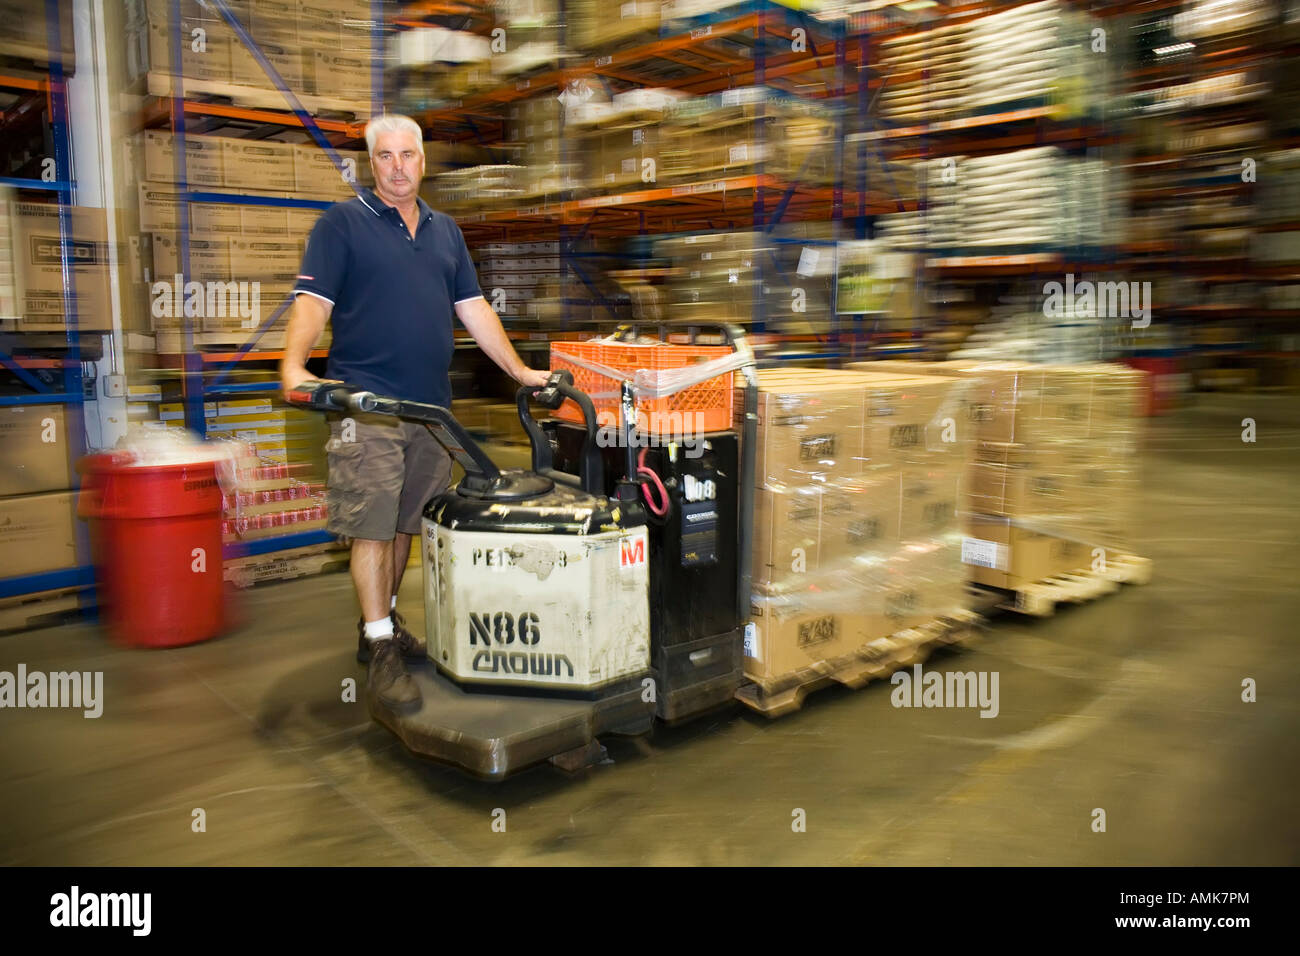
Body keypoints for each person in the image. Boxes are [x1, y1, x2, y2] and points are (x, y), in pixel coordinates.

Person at [280, 114, 549, 712]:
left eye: (408, 155)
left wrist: (520, 372)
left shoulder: (445, 231)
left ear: (423, 161)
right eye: (385, 156)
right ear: (371, 163)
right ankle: (381, 648)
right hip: (368, 406)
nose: (398, 167)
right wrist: (294, 367)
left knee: (406, 524)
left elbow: (474, 309)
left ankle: (381, 624)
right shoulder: (342, 224)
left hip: (430, 410)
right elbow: (312, 302)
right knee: (372, 525)